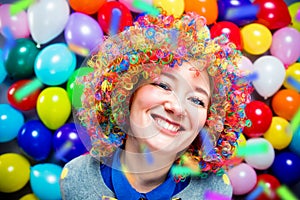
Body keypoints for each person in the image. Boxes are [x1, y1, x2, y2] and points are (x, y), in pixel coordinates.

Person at [60, 11, 253, 200]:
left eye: (197, 100)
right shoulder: (76, 179)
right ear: (126, 93)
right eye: (163, 85)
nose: (177, 108)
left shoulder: (216, 191)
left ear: (210, 122)